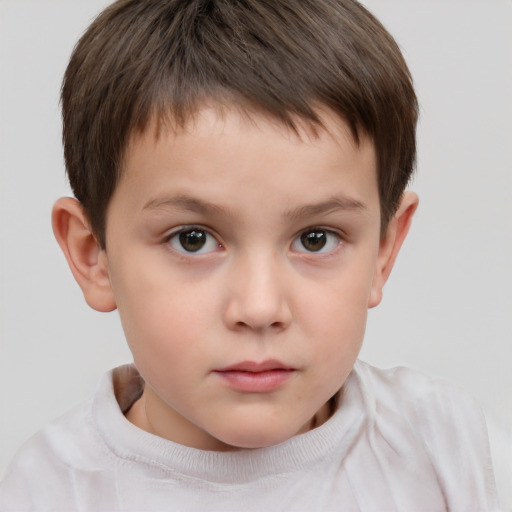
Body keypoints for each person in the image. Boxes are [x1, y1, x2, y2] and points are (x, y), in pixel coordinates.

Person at [0, 0, 499, 510]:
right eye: (192, 239)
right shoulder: (48, 492)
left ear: (383, 250)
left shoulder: (454, 450)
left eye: (315, 239)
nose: (260, 309)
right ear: (93, 256)